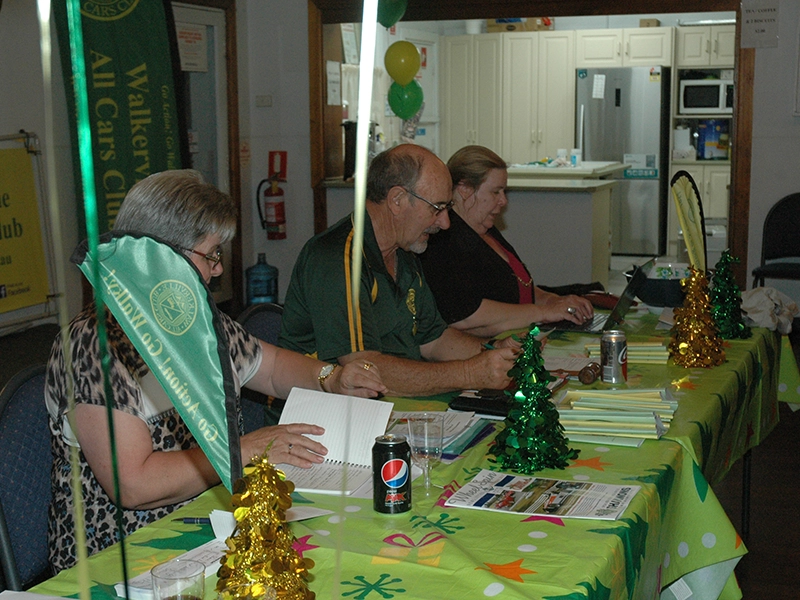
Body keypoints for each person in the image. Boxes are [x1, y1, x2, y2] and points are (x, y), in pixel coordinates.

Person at [46, 170, 386, 572]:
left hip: (206, 523)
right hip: (122, 555)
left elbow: (272, 367)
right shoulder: (94, 345)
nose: (218, 270)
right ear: (160, 257)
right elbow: (133, 485)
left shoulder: (194, 321)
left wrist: (330, 376)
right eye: (211, 255)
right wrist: (242, 451)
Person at [278, 144, 518, 397]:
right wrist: (469, 373)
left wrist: (492, 351)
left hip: (385, 407)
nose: (445, 223)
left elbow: (434, 339)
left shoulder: (404, 250)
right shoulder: (336, 258)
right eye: (436, 208)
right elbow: (365, 369)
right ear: (397, 200)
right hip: (322, 419)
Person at [419, 145, 594, 338]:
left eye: (504, 192)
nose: (504, 201)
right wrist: (544, 313)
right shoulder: (444, 242)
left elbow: (516, 286)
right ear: (465, 189)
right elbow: (466, 314)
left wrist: (554, 301)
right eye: (496, 192)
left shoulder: (485, 228)